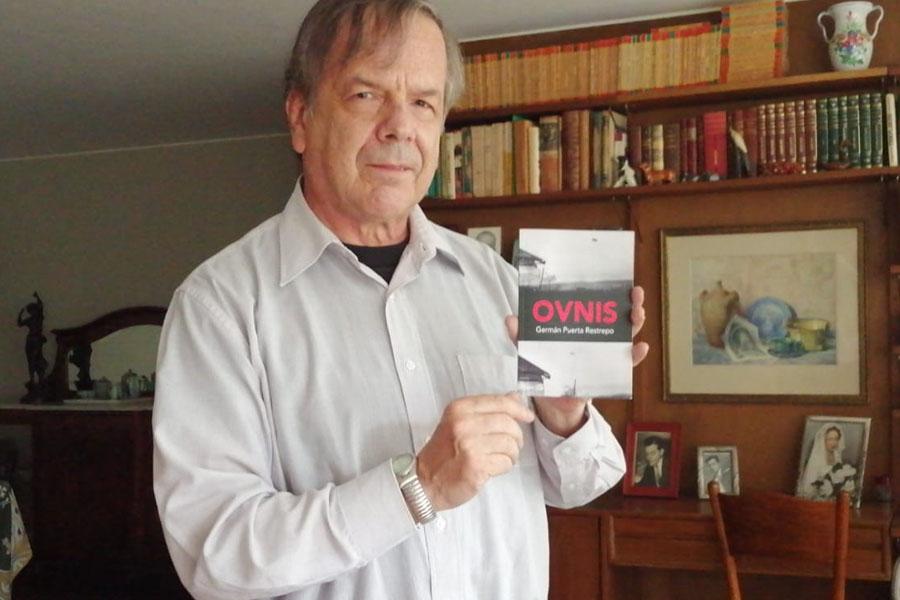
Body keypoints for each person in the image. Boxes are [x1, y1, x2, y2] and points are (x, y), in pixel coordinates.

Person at [152, 1, 649, 599]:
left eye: (423, 102)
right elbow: (218, 557)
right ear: (301, 117)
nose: (399, 127)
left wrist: (563, 413)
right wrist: (418, 486)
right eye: (367, 95)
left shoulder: (500, 280)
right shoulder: (219, 306)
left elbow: (581, 485)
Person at [798, 423, 853, 500]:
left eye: (836, 439)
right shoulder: (816, 459)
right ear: (823, 440)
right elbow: (809, 487)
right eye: (830, 439)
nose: (834, 442)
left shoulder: (837, 456)